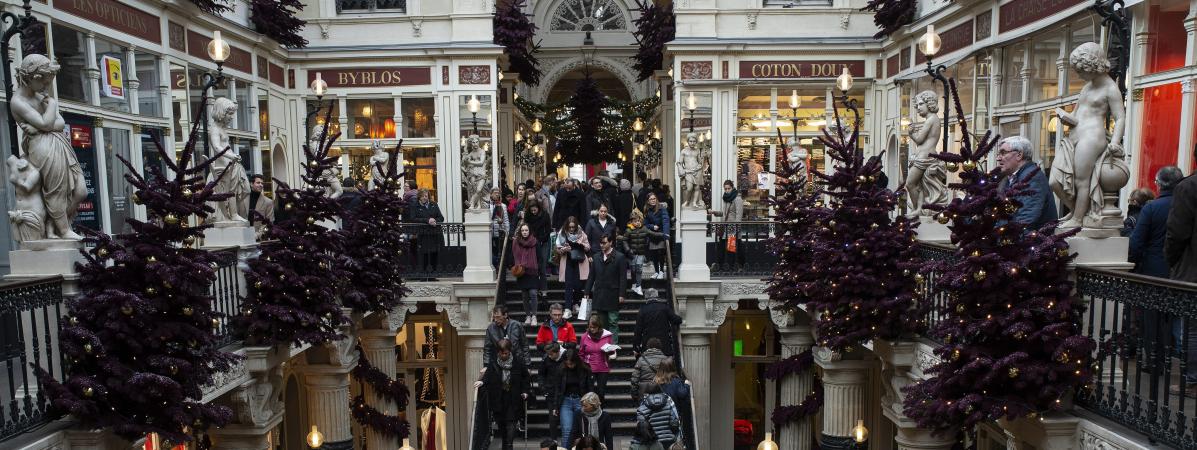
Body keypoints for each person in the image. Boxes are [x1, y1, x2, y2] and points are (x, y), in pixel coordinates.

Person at [1130, 166, 1183, 386]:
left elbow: (1137, 241)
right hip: (1181, 271)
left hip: (1153, 271)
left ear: (1159, 184)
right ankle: (1179, 361)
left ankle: (1155, 361)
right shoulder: (1184, 205)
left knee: (1152, 318)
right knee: (1177, 317)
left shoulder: (1152, 208)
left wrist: (1133, 262)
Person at [474, 339, 531, 450]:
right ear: (498, 352)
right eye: (501, 353)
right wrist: (482, 381)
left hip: (513, 397)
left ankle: (509, 445)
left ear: (509, 351)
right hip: (499, 399)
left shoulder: (518, 362)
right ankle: (506, 444)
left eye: (505, 353)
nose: (503, 355)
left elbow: (526, 378)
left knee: (511, 423)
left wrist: (525, 391)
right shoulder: (494, 362)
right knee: (502, 425)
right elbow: (488, 375)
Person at [996, 136, 1058, 231]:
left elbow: (1025, 220)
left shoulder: (1032, 178)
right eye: (998, 154)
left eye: (1003, 153)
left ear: (1019, 155)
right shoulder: (1010, 177)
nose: (998, 158)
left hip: (1031, 242)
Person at [585, 234, 627, 343]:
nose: (602, 245)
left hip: (613, 293)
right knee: (601, 323)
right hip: (600, 294)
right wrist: (587, 291)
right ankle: (604, 345)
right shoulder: (596, 257)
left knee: (613, 321)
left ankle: (612, 347)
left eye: (604, 243)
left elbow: (623, 277)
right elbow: (591, 276)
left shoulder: (620, 257)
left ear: (611, 242)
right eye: (601, 243)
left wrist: (622, 294)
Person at [557, 349, 594, 448]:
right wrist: (555, 406)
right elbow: (558, 388)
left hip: (581, 401)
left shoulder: (585, 369)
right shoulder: (561, 369)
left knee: (583, 430)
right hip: (566, 400)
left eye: (571, 363)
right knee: (567, 430)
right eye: (567, 363)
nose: (570, 365)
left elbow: (590, 388)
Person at [556, 216, 591, 318]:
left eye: (573, 227)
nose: (571, 229)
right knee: (568, 285)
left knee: (578, 285)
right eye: (570, 227)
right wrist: (564, 249)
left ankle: (575, 303)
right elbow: (557, 248)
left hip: (579, 262)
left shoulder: (581, 233)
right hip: (567, 261)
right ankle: (567, 308)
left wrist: (582, 245)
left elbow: (588, 246)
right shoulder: (562, 233)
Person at [633, 288, 683, 357]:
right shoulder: (664, 308)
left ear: (646, 298)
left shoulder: (642, 310)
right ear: (657, 296)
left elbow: (638, 330)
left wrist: (636, 347)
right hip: (664, 346)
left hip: (648, 346)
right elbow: (677, 320)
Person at [631, 382, 681, 450]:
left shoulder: (643, 406)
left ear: (647, 391)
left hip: (653, 442)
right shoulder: (668, 402)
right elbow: (674, 422)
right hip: (669, 440)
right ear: (660, 389)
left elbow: (641, 426)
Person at [655, 358, 692, 448]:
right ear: (672, 368)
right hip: (673, 415)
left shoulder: (656, 382)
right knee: (674, 439)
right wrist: (687, 384)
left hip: (658, 414)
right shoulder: (676, 381)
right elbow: (682, 393)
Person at [709, 180, 745, 269]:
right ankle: (721, 266)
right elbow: (725, 214)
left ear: (732, 188)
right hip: (724, 227)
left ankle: (733, 266)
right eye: (725, 189)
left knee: (731, 248)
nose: (727, 190)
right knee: (721, 247)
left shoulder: (737, 199)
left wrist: (736, 229)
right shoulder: (726, 198)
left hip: (733, 228)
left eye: (729, 188)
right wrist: (715, 212)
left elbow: (739, 215)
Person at [407, 189, 445, 276]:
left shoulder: (433, 204)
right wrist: (427, 220)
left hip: (435, 233)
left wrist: (434, 220)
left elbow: (441, 218)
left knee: (434, 254)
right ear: (419, 196)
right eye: (423, 196)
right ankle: (424, 275)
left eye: (426, 196)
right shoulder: (415, 206)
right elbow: (413, 219)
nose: (425, 198)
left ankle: (433, 274)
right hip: (423, 234)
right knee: (424, 254)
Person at [578, 315, 615, 403]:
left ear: (599, 326)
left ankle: (600, 410)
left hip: (603, 367)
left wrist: (610, 351)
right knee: (590, 392)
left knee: (601, 392)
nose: (592, 329)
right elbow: (581, 353)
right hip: (589, 367)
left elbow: (612, 351)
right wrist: (583, 366)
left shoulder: (607, 336)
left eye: (594, 327)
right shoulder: (584, 337)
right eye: (590, 327)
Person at [621, 212, 658, 296]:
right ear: (631, 222)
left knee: (639, 268)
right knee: (633, 268)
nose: (637, 222)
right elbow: (624, 240)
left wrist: (663, 235)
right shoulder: (628, 230)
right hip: (632, 253)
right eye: (635, 221)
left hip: (641, 252)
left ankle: (638, 286)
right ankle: (634, 284)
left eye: (638, 221)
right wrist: (628, 250)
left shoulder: (644, 228)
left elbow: (652, 233)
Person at [513, 223, 542, 325]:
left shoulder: (535, 242)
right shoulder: (516, 242)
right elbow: (513, 256)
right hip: (522, 272)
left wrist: (535, 266)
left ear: (529, 231)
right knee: (525, 296)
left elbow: (539, 257)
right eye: (523, 230)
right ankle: (528, 316)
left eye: (526, 230)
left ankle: (534, 316)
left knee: (533, 294)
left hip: (532, 272)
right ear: (520, 232)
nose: (524, 232)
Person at [525, 201, 553, 292]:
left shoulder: (545, 215)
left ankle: (544, 290)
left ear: (538, 208)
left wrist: (542, 238)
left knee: (543, 267)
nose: (533, 212)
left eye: (535, 210)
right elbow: (527, 228)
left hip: (543, 242)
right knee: (533, 267)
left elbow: (548, 228)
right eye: (532, 210)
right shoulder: (528, 216)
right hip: (532, 243)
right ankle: (535, 288)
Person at [540, 343, 566, 440]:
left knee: (564, 417)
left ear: (558, 352)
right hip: (550, 390)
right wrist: (542, 387)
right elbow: (541, 374)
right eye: (548, 354)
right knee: (552, 419)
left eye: (551, 354)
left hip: (564, 391)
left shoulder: (566, 357)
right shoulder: (546, 358)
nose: (549, 356)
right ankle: (553, 440)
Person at [631, 337, 668, 403]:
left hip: (644, 392)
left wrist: (634, 395)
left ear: (648, 347)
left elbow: (634, 379)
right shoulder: (666, 360)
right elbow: (670, 378)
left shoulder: (641, 360)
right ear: (660, 347)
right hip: (661, 391)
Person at [643, 193, 671, 279]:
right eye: (651, 199)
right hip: (652, 235)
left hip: (661, 234)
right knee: (654, 254)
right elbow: (645, 224)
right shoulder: (647, 210)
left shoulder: (662, 209)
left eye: (654, 198)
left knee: (660, 253)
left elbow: (666, 221)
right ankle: (656, 271)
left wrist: (666, 234)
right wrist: (652, 226)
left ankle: (661, 271)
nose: (653, 200)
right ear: (648, 201)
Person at [490, 188, 511, 267]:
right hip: (490, 233)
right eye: (495, 193)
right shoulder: (487, 205)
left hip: (499, 232)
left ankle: (501, 269)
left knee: (500, 252)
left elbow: (506, 219)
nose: (497, 194)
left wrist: (507, 232)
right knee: (492, 251)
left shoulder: (503, 206)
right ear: (491, 194)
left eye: (498, 193)